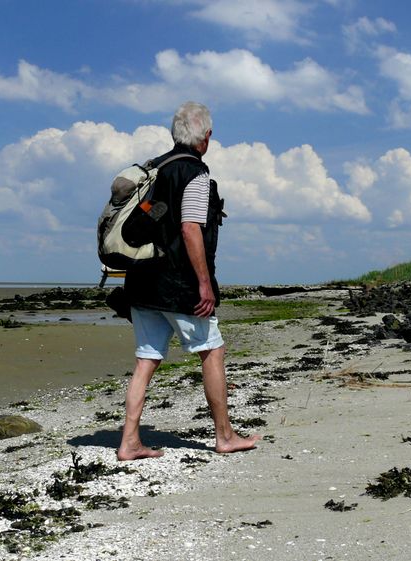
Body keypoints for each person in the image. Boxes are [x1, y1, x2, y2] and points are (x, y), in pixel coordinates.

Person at [117, 101, 261, 461]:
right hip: (177, 285)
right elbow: (190, 229)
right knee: (212, 351)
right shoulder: (195, 175)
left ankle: (129, 441)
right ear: (206, 137)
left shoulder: (155, 169)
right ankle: (225, 436)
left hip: (141, 282)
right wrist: (204, 284)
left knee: (146, 359)